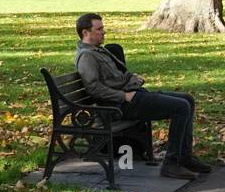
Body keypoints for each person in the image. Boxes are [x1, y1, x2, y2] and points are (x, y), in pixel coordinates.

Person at [73, 13, 212, 180]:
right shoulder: (87, 56)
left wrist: (132, 79)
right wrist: (123, 96)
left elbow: (116, 77)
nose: (104, 32)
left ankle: (185, 157)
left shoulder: (98, 51)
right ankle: (171, 163)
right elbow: (94, 88)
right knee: (180, 107)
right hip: (119, 106)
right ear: (85, 33)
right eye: (99, 29)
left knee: (187, 99)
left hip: (132, 95)